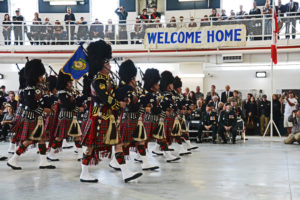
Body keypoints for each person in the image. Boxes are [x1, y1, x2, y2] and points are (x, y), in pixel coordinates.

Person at [80, 40, 142, 183]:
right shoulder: (98, 81)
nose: (109, 65)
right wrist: (118, 104)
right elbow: (105, 98)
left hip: (108, 118)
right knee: (90, 147)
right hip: (99, 117)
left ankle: (125, 173)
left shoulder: (108, 79)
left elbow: (115, 93)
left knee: (118, 144)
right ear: (101, 64)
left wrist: (128, 87)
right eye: (107, 63)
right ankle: (84, 172)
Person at [110, 60, 158, 171]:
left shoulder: (128, 89)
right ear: (132, 79)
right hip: (128, 118)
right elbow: (130, 104)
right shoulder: (125, 89)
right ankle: (115, 162)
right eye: (134, 79)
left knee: (140, 140)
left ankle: (145, 162)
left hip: (134, 119)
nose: (136, 81)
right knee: (125, 142)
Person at [7, 59, 55, 170]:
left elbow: (41, 102)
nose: (42, 78)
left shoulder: (38, 88)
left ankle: (43, 161)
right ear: (35, 76)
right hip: (32, 118)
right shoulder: (29, 89)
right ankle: (13, 159)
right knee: (29, 140)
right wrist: (43, 111)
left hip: (37, 118)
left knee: (41, 138)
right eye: (40, 76)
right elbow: (30, 104)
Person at [47, 71, 83, 162]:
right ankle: (51, 153)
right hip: (65, 117)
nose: (71, 83)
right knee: (60, 137)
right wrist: (78, 109)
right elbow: (67, 106)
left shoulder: (68, 92)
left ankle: (80, 154)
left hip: (71, 117)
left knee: (77, 135)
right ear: (66, 83)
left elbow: (72, 104)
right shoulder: (62, 93)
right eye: (70, 82)